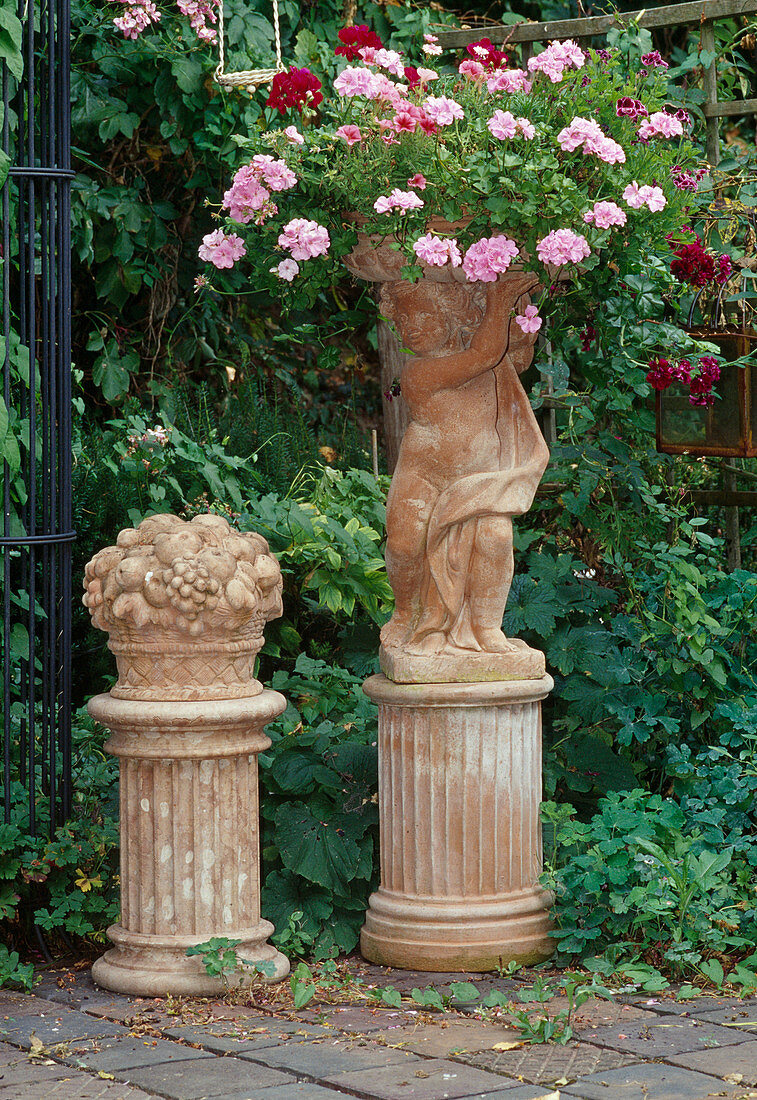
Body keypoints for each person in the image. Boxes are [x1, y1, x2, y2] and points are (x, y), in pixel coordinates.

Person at [378, 273, 549, 658]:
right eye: (402, 321)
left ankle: (486, 626)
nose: (409, 328)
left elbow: (508, 350)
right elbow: (482, 356)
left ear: (453, 313)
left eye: (420, 315)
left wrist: (516, 307)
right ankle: (407, 611)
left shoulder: (493, 355)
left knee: (496, 539)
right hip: (423, 476)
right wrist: (499, 297)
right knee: (405, 547)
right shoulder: (418, 372)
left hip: (478, 479)